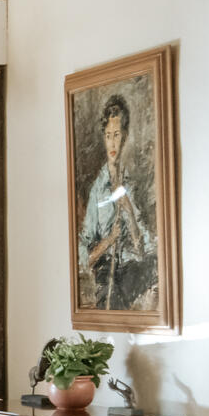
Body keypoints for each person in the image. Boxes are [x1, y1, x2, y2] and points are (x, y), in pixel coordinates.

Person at [77, 92, 157, 313]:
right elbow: (83, 252)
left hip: (132, 269)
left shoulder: (132, 186)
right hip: (107, 272)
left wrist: (130, 212)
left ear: (125, 136)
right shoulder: (97, 190)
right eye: (108, 135)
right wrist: (109, 241)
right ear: (103, 137)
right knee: (112, 294)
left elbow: (146, 247)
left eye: (117, 134)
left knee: (152, 269)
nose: (113, 142)